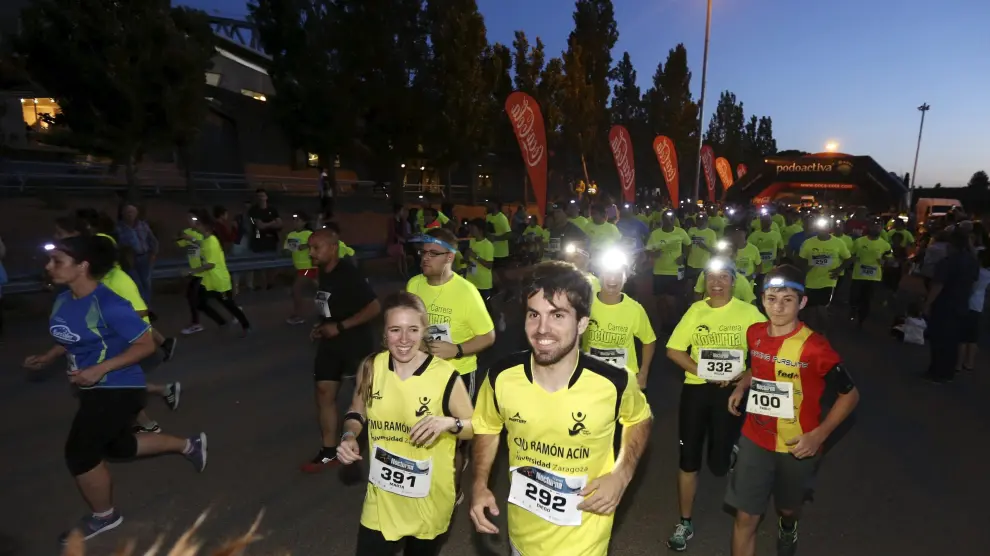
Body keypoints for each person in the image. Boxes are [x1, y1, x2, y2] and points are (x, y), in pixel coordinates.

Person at [22, 235, 207, 543]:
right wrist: (49, 356)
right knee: (117, 446)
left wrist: (98, 369)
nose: (48, 266)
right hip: (93, 387)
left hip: (118, 386)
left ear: (83, 266)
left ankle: (104, 517)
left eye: (57, 262)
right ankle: (189, 446)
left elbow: (146, 345)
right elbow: (71, 336)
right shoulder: (66, 298)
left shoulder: (110, 304)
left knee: (80, 453)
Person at [470, 261, 652, 556]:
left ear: (581, 323)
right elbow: (488, 427)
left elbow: (640, 419)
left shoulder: (614, 381)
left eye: (557, 315)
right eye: (534, 315)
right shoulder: (501, 376)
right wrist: (479, 484)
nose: (542, 329)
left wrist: (622, 473)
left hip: (584, 543)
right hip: (521, 537)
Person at [726, 264, 860, 556]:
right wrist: (741, 385)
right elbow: (759, 368)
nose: (778, 306)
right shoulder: (755, 333)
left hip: (796, 445)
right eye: (771, 298)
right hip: (754, 438)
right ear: (762, 300)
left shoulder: (815, 347)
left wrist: (819, 435)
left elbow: (850, 395)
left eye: (787, 299)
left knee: (788, 507)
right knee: (745, 517)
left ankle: (789, 524)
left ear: (802, 302)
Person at [336, 292, 475, 555]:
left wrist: (448, 423)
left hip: (429, 496)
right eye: (395, 330)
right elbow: (356, 412)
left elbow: (475, 426)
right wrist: (349, 436)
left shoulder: (444, 376)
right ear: (384, 333)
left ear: (424, 330)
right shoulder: (371, 368)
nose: (403, 339)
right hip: (382, 497)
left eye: (413, 329)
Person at [664, 256, 767, 552]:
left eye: (724, 277)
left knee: (719, 464)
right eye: (711, 278)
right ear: (704, 283)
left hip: (731, 393)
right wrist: (704, 372)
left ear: (734, 282)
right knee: (688, 459)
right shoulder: (696, 310)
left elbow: (766, 351)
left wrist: (746, 374)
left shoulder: (749, 313)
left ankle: (729, 449)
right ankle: (685, 522)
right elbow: (673, 350)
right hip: (697, 391)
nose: (717, 283)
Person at [304, 228, 382, 471]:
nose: (311, 253)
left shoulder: (348, 273)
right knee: (323, 391)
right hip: (331, 344)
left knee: (365, 398)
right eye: (310, 248)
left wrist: (340, 326)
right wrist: (322, 326)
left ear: (333, 248)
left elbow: (374, 307)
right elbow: (332, 306)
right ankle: (329, 451)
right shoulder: (323, 273)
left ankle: (381, 442)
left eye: (317, 247)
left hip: (355, 343)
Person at [582, 248, 656, 390]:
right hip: (590, 377)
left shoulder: (635, 309)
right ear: (600, 275)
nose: (612, 279)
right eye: (608, 273)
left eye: (618, 274)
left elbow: (649, 340)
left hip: (624, 379)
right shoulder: (585, 304)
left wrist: (643, 373)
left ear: (625, 277)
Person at [923, 229, 979, 383]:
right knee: (953, 341)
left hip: (944, 305)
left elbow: (938, 285)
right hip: (961, 304)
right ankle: (948, 372)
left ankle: (936, 371)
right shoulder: (972, 261)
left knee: (939, 339)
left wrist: (928, 303)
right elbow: (974, 283)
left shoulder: (947, 262)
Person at [184, 212, 252, 336]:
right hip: (209, 281)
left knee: (229, 305)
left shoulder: (211, 242)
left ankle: (246, 325)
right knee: (199, 303)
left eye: (198, 224)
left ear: (205, 227)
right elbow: (200, 245)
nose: (195, 226)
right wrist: (189, 239)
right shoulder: (206, 240)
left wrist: (191, 271)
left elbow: (210, 264)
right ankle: (222, 322)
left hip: (220, 281)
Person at [797, 217, 852, 335]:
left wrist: (838, 270)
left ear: (829, 228)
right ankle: (808, 333)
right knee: (809, 309)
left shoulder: (838, 242)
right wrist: (806, 267)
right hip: (810, 281)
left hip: (828, 280)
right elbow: (801, 260)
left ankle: (822, 332)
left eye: (825, 227)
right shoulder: (809, 242)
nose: (823, 229)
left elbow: (848, 259)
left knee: (822, 307)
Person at [646, 210, 690, 330]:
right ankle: (663, 323)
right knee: (660, 300)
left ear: (675, 219)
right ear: (662, 219)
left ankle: (674, 323)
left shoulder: (680, 232)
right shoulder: (656, 234)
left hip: (675, 272)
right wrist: (653, 254)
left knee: (672, 300)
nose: (669, 221)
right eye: (666, 218)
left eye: (671, 218)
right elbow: (648, 249)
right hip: (659, 271)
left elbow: (688, 244)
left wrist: (683, 256)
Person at [848, 221, 892, 325]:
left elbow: (890, 259)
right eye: (874, 226)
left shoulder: (885, 245)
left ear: (881, 229)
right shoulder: (859, 242)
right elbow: (851, 255)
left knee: (867, 299)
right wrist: (852, 262)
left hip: (874, 277)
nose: (876, 229)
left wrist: (885, 261)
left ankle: (862, 319)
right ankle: (853, 310)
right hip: (858, 275)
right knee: (854, 296)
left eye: (878, 227)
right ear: (869, 227)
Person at [115, 203, 158, 303]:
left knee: (146, 283)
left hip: (144, 258)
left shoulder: (143, 226)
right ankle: (138, 305)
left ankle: (146, 306)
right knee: (135, 283)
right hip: (130, 259)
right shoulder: (119, 228)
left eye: (132, 212)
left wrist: (153, 254)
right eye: (128, 212)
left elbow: (153, 241)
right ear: (123, 213)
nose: (130, 214)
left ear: (136, 213)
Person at [959, 249, 990, 373]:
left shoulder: (977, 272)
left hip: (969, 303)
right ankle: (969, 363)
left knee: (962, 337)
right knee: (972, 337)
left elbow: (970, 287)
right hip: (979, 305)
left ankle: (958, 363)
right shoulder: (988, 274)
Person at [284, 212, 317, 325]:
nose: (295, 222)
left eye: (298, 220)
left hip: (309, 267)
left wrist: (305, 246)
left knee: (296, 289)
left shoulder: (309, 234)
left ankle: (299, 315)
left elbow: (316, 245)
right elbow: (288, 250)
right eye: (294, 220)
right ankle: (329, 312)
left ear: (304, 222)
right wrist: (298, 247)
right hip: (298, 268)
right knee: (320, 290)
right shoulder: (291, 234)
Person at [248, 188, 282, 290]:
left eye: (263, 196)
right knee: (259, 263)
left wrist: (268, 224)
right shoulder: (253, 210)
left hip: (272, 240)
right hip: (258, 239)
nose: (261, 198)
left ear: (266, 197)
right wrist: (272, 223)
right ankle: (260, 284)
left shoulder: (273, 209)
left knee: (272, 263)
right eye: (259, 196)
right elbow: (259, 226)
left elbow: (280, 224)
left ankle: (270, 283)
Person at [464, 218, 496, 312]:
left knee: (485, 309)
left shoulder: (488, 245)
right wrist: (466, 257)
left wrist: (475, 257)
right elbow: (467, 260)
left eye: (473, 228)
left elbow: (489, 265)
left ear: (480, 230)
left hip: (483, 284)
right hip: (471, 280)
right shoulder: (472, 241)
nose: (470, 229)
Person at [685, 213, 717, 283]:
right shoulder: (691, 230)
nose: (700, 221)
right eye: (698, 219)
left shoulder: (711, 233)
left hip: (704, 265)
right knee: (689, 283)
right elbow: (687, 245)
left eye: (703, 219)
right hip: (691, 263)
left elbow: (714, 251)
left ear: (706, 221)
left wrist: (704, 247)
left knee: (702, 284)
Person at [387, 204, 411, 277]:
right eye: (402, 210)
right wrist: (399, 238)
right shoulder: (392, 220)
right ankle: (403, 273)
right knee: (401, 257)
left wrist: (406, 237)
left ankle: (403, 273)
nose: (403, 212)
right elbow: (391, 232)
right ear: (398, 211)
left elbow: (404, 232)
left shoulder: (402, 220)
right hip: (395, 242)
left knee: (402, 257)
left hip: (402, 242)